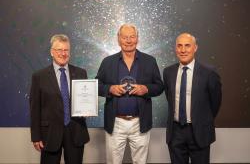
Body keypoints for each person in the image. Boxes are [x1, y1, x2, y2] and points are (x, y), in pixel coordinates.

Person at [96, 24, 163, 164]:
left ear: (137, 39)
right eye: (124, 37)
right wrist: (110, 89)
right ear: (118, 39)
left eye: (132, 36)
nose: (128, 40)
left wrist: (146, 89)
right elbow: (96, 86)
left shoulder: (149, 61)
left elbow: (159, 86)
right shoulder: (108, 62)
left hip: (140, 122)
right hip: (116, 122)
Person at [29, 34, 89, 164]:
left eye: (66, 50)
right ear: (52, 52)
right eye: (59, 50)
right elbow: (35, 109)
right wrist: (36, 136)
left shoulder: (81, 73)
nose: (63, 53)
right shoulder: (39, 76)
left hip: (76, 131)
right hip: (49, 134)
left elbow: (85, 99)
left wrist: (88, 109)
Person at [163, 33, 222, 164]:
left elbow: (215, 103)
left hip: (199, 132)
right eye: (179, 46)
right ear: (175, 48)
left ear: (195, 48)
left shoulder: (209, 72)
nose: (183, 50)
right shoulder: (168, 72)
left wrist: (202, 119)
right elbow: (170, 97)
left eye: (187, 46)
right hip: (176, 132)